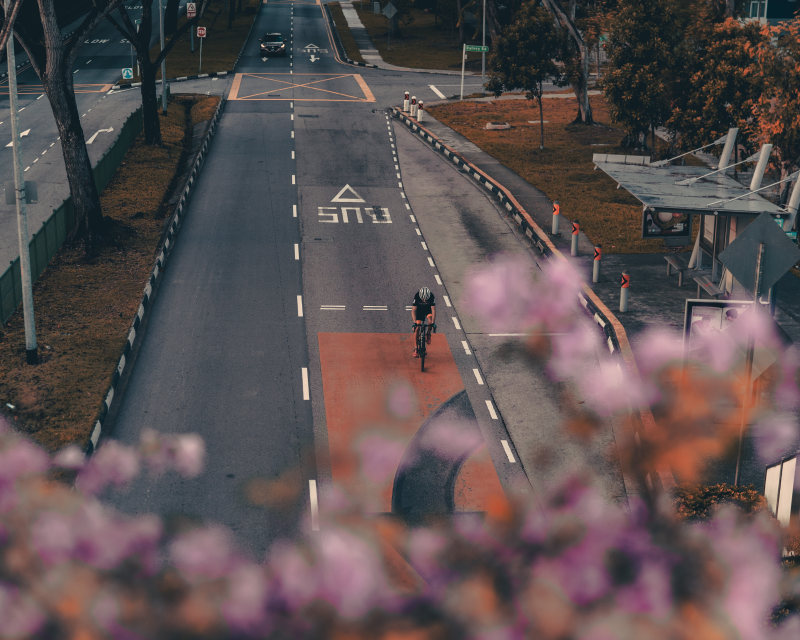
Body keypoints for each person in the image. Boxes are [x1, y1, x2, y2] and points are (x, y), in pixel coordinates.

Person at [411, 286, 436, 357]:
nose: (424, 300)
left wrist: (433, 323)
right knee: (417, 328)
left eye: (426, 299)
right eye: (423, 299)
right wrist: (414, 323)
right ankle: (416, 348)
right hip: (419, 311)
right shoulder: (417, 296)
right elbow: (413, 310)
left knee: (430, 321)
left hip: (428, 310)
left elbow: (433, 310)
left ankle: (428, 334)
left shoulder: (431, 296)